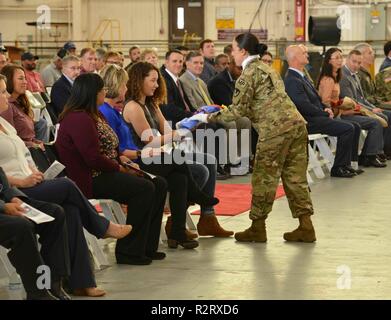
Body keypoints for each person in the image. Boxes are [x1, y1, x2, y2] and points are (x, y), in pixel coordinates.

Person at [0, 73, 131, 297]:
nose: (6, 95)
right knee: (67, 187)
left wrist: (33, 171)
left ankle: (67, 282)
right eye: (2, 91)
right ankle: (101, 227)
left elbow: (23, 154)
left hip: (27, 183)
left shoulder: (4, 123)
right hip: (18, 188)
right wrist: (19, 182)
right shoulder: (78, 117)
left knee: (68, 210)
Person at [192, 33, 316, 243]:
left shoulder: (248, 74)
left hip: (275, 131)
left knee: (263, 179)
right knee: (296, 179)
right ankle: (306, 226)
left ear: (243, 51)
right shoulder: (268, 69)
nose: (231, 54)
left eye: (233, 49)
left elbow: (238, 110)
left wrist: (207, 116)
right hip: (297, 126)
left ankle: (257, 228)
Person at [56, 73, 168, 264]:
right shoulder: (78, 118)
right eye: (102, 90)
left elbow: (109, 149)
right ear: (93, 93)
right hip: (91, 178)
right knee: (144, 188)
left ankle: (147, 246)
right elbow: (92, 158)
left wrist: (122, 161)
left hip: (106, 170)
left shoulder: (94, 113)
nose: (105, 93)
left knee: (158, 183)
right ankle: (129, 251)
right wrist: (118, 167)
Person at [122, 62, 230, 240]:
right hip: (147, 156)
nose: (157, 85)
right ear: (139, 81)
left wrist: (191, 123)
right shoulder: (133, 107)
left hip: (163, 152)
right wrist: (179, 133)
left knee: (209, 160)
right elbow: (149, 141)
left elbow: (167, 131)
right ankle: (182, 212)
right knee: (199, 171)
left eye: (157, 81)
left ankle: (208, 216)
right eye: (153, 81)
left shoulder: (152, 104)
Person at [284, 45, 357, 178]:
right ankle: (338, 167)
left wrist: (325, 108)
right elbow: (302, 105)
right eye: (303, 53)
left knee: (350, 127)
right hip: (307, 121)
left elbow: (316, 99)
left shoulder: (302, 76)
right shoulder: (292, 79)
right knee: (348, 128)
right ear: (295, 58)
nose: (307, 55)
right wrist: (324, 113)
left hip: (316, 117)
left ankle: (344, 165)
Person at [317, 48, 385, 168]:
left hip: (340, 112)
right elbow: (325, 102)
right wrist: (341, 107)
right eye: (336, 58)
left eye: (340, 57)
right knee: (358, 126)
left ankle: (353, 163)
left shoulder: (336, 77)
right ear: (328, 61)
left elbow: (339, 101)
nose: (339, 60)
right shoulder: (329, 79)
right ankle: (349, 162)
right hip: (334, 115)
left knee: (357, 126)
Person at [340, 49, 391, 161]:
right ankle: (369, 155)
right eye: (354, 62)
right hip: (349, 113)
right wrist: (371, 110)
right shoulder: (344, 76)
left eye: (359, 63)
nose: (356, 65)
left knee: (384, 116)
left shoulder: (355, 75)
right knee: (376, 122)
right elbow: (352, 102)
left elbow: (362, 99)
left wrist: (373, 108)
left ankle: (379, 151)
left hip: (360, 109)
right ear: (347, 60)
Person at [0, 64, 49, 145]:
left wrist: (37, 142)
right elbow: (11, 140)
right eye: (20, 78)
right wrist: (33, 145)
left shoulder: (19, 103)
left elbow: (29, 137)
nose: (25, 82)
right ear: (9, 81)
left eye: (25, 78)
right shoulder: (7, 106)